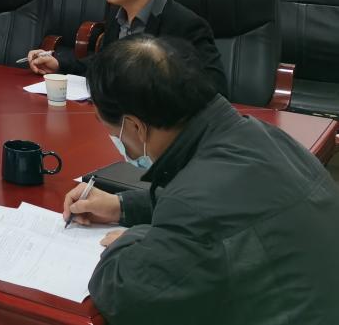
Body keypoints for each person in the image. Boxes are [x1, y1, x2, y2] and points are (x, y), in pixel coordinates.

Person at [63, 35, 339, 324]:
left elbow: (123, 294)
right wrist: (122, 206)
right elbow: (226, 206)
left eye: (112, 131)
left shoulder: (197, 205)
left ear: (135, 127)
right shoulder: (257, 135)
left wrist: (139, 235)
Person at [26, 0, 228, 97]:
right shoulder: (118, 15)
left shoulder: (185, 25)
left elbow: (214, 89)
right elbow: (103, 63)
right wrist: (58, 63)